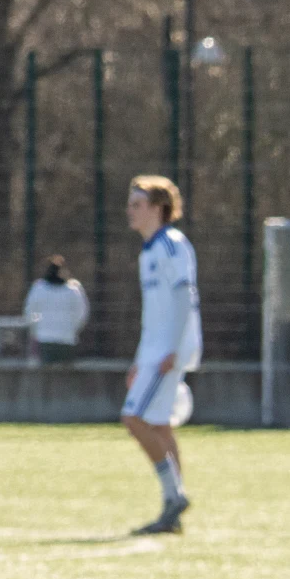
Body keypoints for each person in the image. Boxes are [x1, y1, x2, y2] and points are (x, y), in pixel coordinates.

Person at [121, 176, 202, 535]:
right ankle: (174, 507)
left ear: (158, 209)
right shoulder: (149, 251)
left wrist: (172, 348)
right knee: (158, 424)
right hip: (155, 349)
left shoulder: (172, 244)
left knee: (133, 418)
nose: (130, 210)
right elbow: (152, 313)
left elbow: (185, 297)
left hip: (169, 348)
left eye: (137, 204)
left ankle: (174, 495)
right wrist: (140, 359)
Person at [23, 254, 89, 366]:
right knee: (65, 377)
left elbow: (30, 312)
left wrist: (37, 328)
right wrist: (72, 329)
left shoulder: (38, 288)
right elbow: (82, 314)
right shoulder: (74, 290)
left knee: (45, 377)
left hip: (44, 339)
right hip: (67, 339)